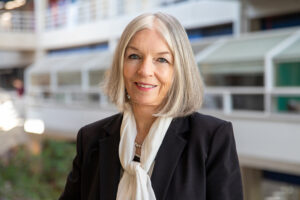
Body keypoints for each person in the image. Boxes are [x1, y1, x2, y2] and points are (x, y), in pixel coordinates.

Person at [59, 12, 243, 200]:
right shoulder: (91, 138)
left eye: (161, 59)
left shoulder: (211, 138)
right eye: (134, 56)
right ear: (120, 63)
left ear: (179, 69)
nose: (145, 70)